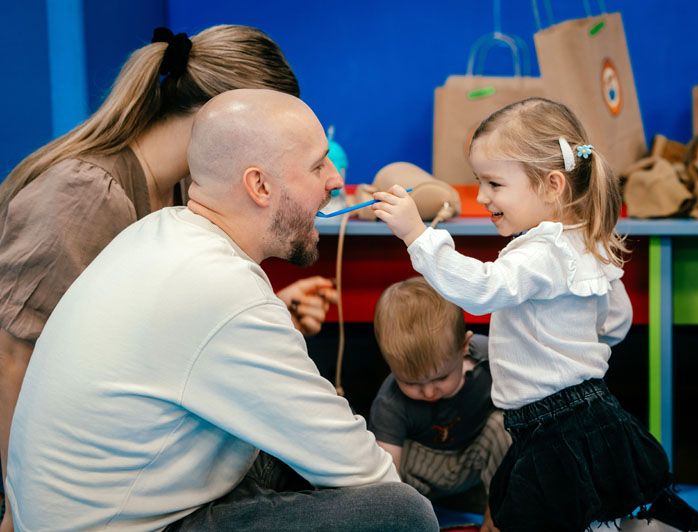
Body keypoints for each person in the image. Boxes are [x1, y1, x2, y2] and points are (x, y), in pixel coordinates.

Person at [5, 88, 438, 531]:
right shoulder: (224, 290)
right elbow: (363, 470)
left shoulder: (159, 232)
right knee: (401, 513)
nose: (334, 180)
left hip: (81, 511)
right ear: (259, 185)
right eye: (317, 166)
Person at [0, 25, 338, 530]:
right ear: (223, 117)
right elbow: (14, 359)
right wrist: (16, 508)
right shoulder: (83, 195)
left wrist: (266, 315)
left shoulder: (182, 191)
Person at [372, 97, 674, 531]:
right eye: (479, 182)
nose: (481, 197)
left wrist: (416, 235)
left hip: (552, 420)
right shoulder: (585, 242)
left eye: (494, 184)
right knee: (598, 512)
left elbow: (482, 290)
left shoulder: (541, 251)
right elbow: (616, 322)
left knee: (549, 517)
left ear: (553, 185)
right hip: (579, 409)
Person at [369, 276, 511, 531]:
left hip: (472, 463)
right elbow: (386, 477)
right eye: (410, 382)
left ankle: (498, 517)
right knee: (382, 467)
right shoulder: (390, 402)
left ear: (464, 346)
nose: (428, 391)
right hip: (419, 476)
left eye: (441, 378)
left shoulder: (490, 358)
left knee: (504, 425)